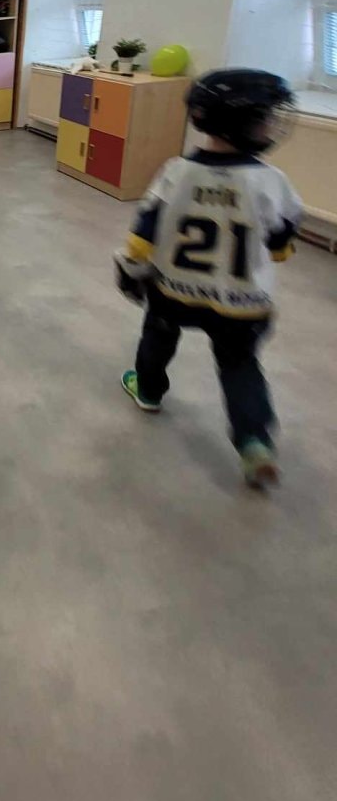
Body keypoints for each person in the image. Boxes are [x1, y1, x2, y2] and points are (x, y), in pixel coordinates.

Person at [115, 68, 302, 488]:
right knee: (240, 365)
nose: (272, 124)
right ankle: (254, 441)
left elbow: (144, 231)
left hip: (173, 291)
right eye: (266, 117)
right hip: (241, 302)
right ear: (244, 124)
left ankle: (148, 390)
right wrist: (276, 251)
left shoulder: (177, 171)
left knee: (158, 337)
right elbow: (281, 242)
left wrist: (130, 266)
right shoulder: (271, 182)